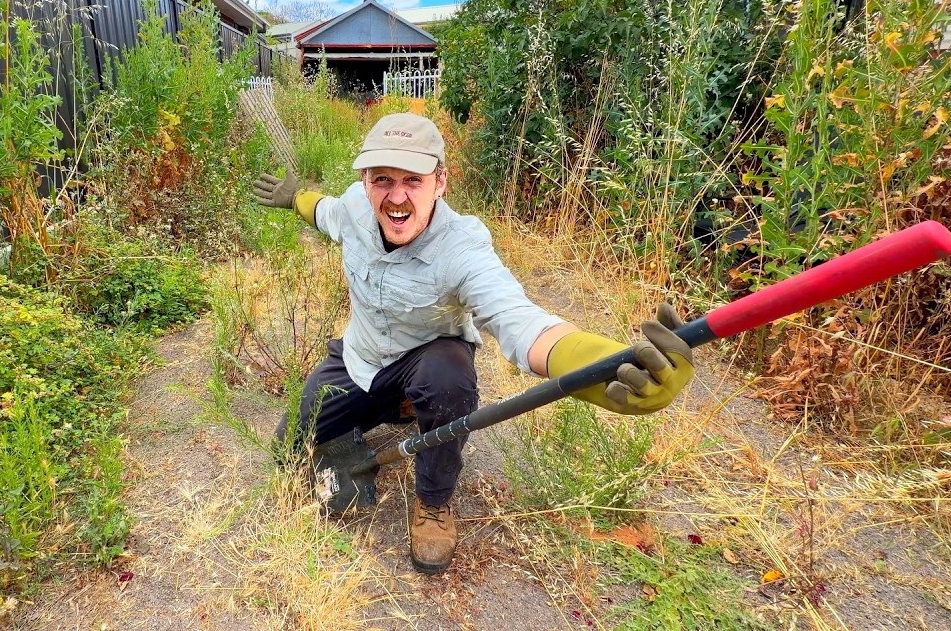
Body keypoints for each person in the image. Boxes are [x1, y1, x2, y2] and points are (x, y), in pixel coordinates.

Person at [252, 113, 694, 574]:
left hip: (427, 359)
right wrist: (294, 198)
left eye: (413, 180)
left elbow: (520, 321)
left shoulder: (462, 248)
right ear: (365, 180)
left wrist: (602, 366)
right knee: (289, 447)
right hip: (360, 358)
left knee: (447, 377)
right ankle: (400, 407)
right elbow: (322, 210)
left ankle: (434, 503)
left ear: (440, 182)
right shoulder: (352, 209)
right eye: (382, 179)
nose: (396, 196)